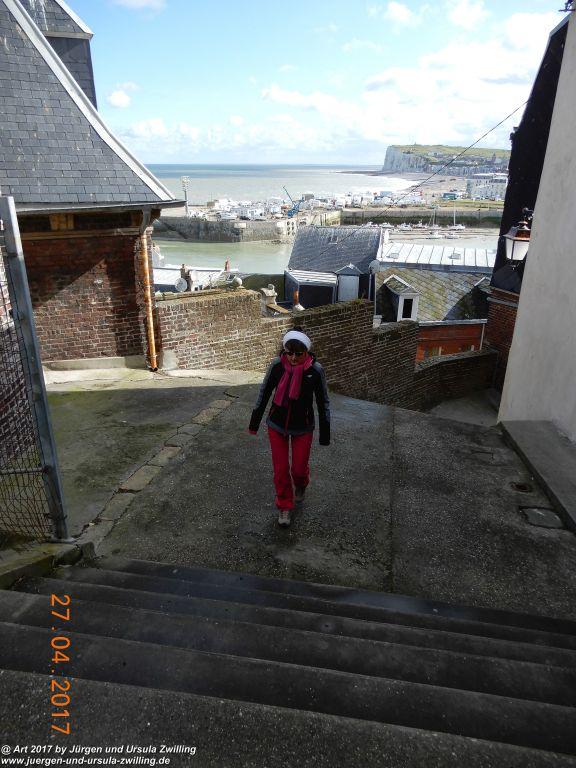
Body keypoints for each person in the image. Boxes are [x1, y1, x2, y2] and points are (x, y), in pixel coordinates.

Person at [248, 329, 330, 527]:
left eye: (298, 354)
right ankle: (284, 506)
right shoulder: (277, 366)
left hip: (303, 427)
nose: (293, 358)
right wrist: (255, 422)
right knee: (281, 469)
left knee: (299, 469)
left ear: (307, 352)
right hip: (277, 424)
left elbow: (323, 402)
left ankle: (301, 484)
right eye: (289, 353)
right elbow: (264, 392)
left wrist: (325, 433)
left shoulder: (315, 370)